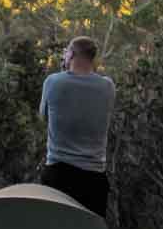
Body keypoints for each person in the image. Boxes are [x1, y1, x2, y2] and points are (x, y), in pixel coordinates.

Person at [38, 35, 116, 217]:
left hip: (58, 174)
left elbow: (44, 117)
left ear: (71, 54)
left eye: (66, 52)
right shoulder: (108, 87)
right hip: (94, 178)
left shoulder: (53, 82)